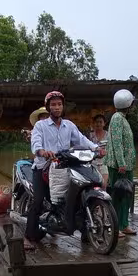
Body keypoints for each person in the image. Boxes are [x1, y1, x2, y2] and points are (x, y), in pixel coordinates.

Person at [26, 91, 104, 250]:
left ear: (63, 107)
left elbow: (82, 140)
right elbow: (35, 143)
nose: (56, 107)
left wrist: (96, 148)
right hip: (43, 168)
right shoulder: (40, 126)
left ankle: (84, 229)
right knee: (38, 200)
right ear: (48, 107)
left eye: (59, 104)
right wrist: (42, 151)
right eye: (53, 104)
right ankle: (28, 236)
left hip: (64, 168)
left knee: (78, 194)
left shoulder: (69, 125)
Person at [104, 89, 137, 237]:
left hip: (126, 165)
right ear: (127, 104)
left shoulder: (123, 119)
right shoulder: (117, 118)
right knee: (117, 196)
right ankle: (115, 226)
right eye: (132, 103)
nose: (133, 106)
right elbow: (117, 143)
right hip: (119, 166)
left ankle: (124, 225)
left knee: (126, 195)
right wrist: (121, 164)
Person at [88, 114, 109, 189]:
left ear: (104, 123)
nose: (98, 124)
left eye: (100, 122)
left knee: (103, 185)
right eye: (97, 122)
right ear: (93, 123)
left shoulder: (108, 135)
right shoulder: (90, 135)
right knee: (94, 185)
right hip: (93, 163)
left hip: (104, 163)